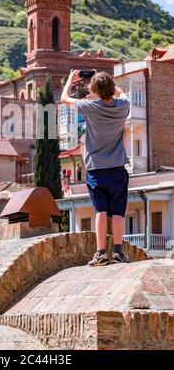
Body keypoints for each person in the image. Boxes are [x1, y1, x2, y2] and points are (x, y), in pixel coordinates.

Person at [61, 70, 130, 266]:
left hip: (95, 169)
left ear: (95, 90)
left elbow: (64, 99)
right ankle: (118, 252)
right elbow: (121, 93)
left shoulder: (90, 106)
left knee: (100, 210)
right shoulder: (123, 106)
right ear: (110, 88)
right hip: (117, 167)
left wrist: (70, 79)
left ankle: (101, 253)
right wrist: (113, 87)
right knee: (117, 212)